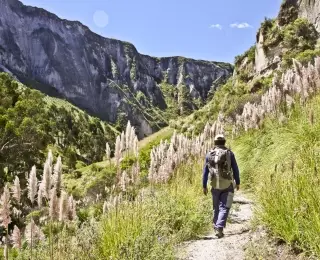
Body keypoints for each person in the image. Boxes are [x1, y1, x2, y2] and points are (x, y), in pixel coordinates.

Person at [202, 134, 240, 238]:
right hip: (227, 185)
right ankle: (219, 227)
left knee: (216, 207)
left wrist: (204, 186)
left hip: (214, 184)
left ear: (215, 143)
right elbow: (235, 169)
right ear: (224, 142)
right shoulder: (229, 153)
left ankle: (216, 226)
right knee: (225, 207)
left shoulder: (209, 154)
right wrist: (238, 182)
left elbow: (205, 172)